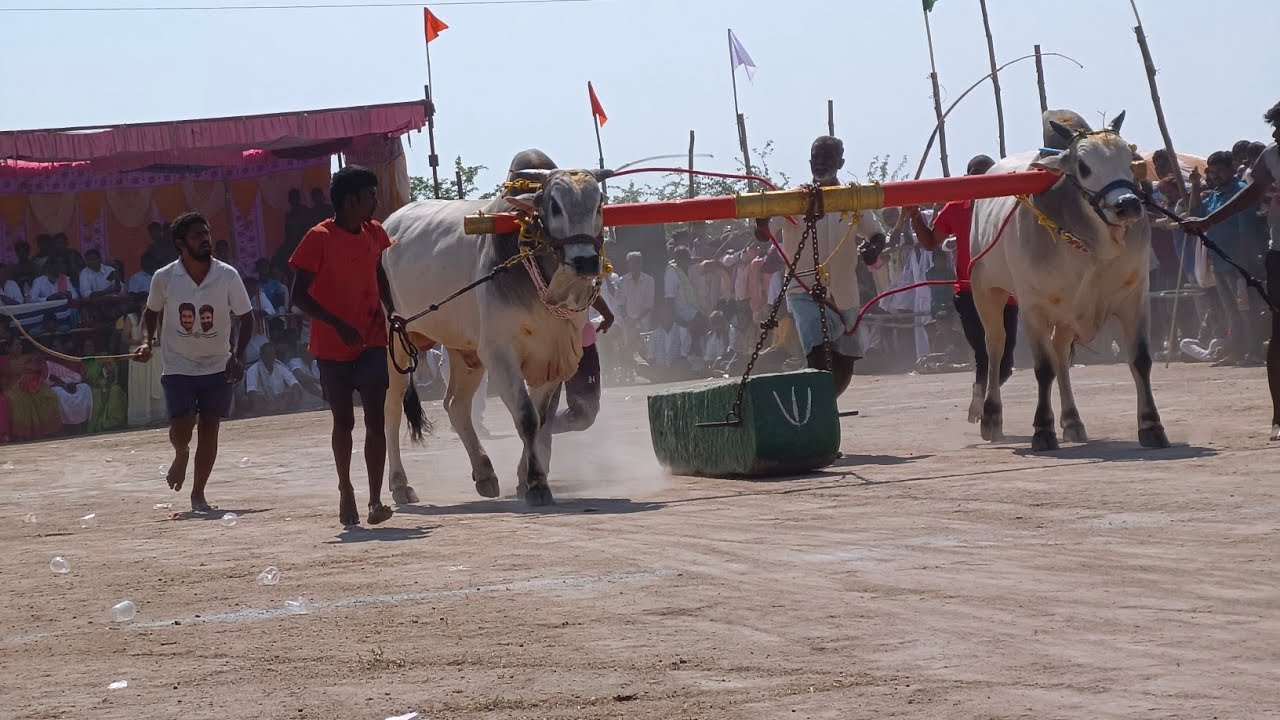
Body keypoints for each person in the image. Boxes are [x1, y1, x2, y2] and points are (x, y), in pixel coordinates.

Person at [289, 165, 395, 527]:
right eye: (370, 196)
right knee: (344, 421)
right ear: (351, 201)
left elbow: (378, 272)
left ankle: (376, 499)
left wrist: (392, 309)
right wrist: (338, 324)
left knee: (375, 418)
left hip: (373, 337)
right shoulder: (318, 238)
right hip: (332, 346)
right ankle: (346, 487)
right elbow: (298, 295)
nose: (375, 202)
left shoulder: (374, 231)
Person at [135, 212, 253, 512]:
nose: (205, 239)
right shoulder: (164, 277)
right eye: (197, 235)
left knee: (210, 428)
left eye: (206, 233)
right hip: (178, 365)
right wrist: (146, 342)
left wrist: (237, 356)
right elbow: (150, 313)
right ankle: (181, 453)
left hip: (218, 365)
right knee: (182, 426)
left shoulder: (227, 275)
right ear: (180, 243)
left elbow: (246, 318)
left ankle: (198, 494)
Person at [753, 135, 887, 396]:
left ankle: (826, 402)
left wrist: (873, 249)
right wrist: (761, 221)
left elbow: (877, 234)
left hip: (844, 292)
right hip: (803, 291)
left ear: (841, 162)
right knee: (818, 353)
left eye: (828, 157)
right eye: (817, 157)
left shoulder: (852, 198)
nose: (821, 163)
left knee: (845, 362)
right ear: (809, 161)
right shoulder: (792, 199)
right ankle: (819, 404)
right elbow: (763, 233)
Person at [1183, 100, 1280, 440]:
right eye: (1274, 127)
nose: (1275, 133)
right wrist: (1207, 221)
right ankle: (1279, 416)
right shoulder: (1271, 156)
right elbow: (1251, 194)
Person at [904, 154, 1017, 397]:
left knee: (1005, 363)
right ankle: (984, 397)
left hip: (1005, 292)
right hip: (969, 291)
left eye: (987, 176)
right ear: (967, 179)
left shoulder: (1009, 207)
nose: (982, 181)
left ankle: (985, 393)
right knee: (983, 353)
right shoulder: (957, 206)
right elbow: (931, 242)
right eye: (976, 177)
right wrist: (914, 216)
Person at [1186, 151, 1264, 367]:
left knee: (1246, 309)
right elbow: (1196, 213)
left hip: (1238, 262)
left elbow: (1246, 229)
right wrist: (1195, 186)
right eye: (1212, 172)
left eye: (1220, 170)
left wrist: (1242, 260)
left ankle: (1254, 352)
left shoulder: (1241, 192)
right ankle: (1237, 352)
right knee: (1231, 311)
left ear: (1231, 168)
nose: (1215, 175)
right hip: (1219, 261)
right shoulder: (1215, 194)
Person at [2, 338, 61, 441]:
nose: (19, 347)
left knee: (50, 396)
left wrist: (33, 379)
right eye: (16, 345)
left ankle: (48, 431)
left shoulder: (29, 358)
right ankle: (20, 434)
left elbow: (40, 370)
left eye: (20, 345)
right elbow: (5, 375)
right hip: (12, 387)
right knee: (18, 400)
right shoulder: (4, 361)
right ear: (8, 348)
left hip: (33, 385)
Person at [243, 342, 303, 416]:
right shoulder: (253, 370)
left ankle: (282, 410)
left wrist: (295, 399)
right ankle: (268, 413)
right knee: (254, 399)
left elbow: (294, 383)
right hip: (263, 401)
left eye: (272, 354)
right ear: (261, 356)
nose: (271, 357)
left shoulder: (280, 367)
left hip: (280, 401)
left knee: (290, 393)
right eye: (268, 354)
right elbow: (251, 393)